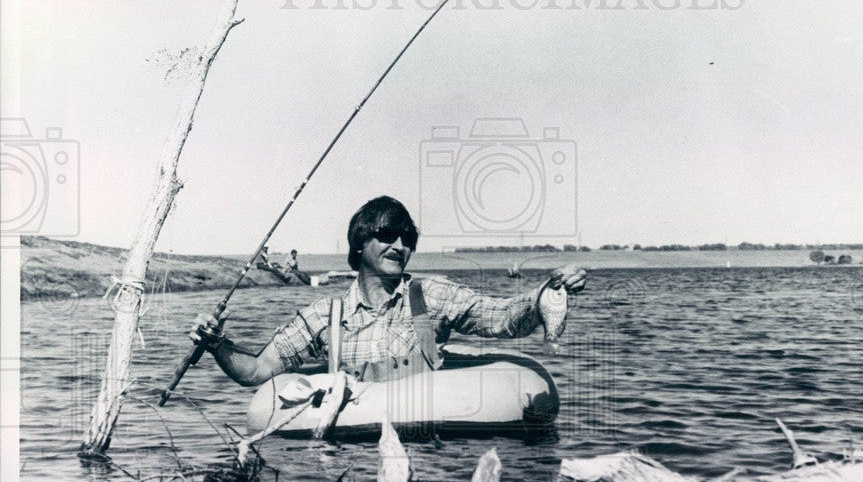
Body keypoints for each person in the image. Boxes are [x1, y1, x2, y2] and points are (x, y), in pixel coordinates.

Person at [190, 196, 587, 386]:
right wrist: (217, 343)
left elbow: (504, 319)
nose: (400, 245)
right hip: (349, 455)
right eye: (386, 235)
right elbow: (257, 371)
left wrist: (548, 292)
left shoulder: (431, 296)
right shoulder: (323, 317)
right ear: (359, 243)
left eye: (408, 237)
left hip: (423, 446)